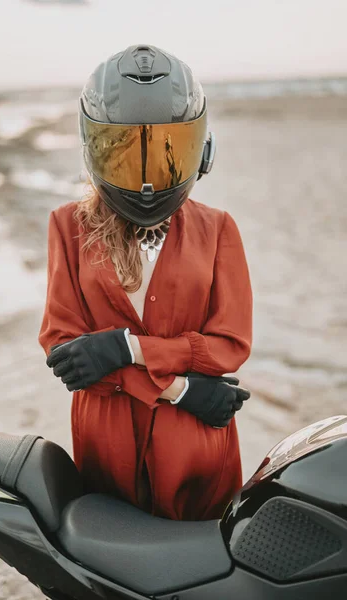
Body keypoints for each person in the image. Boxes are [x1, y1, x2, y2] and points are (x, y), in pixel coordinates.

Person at [38, 44, 253, 521]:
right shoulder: (67, 225)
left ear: (201, 146)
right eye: (124, 151)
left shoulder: (219, 227)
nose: (146, 175)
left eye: (166, 151)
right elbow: (65, 351)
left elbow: (230, 345)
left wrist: (126, 350)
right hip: (121, 437)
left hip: (194, 446)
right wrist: (181, 390)